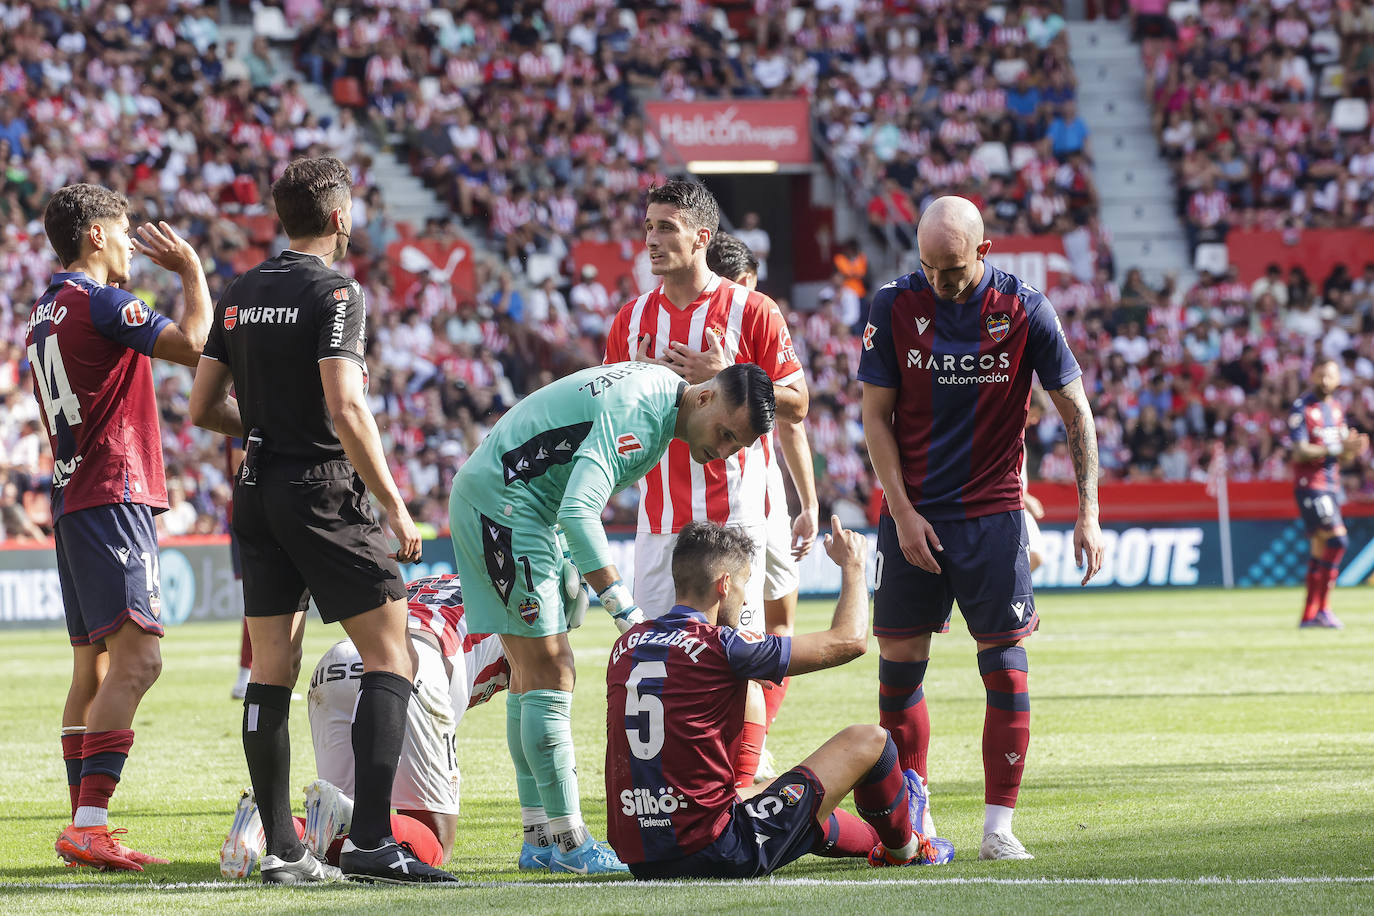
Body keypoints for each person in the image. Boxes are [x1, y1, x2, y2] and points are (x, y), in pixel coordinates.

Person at [188, 156, 457, 885]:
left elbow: (203, 408)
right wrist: (396, 503)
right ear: (340, 217)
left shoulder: (241, 290)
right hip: (320, 490)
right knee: (391, 654)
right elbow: (345, 407)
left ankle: (282, 850)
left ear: (283, 216)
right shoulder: (336, 292)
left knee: (271, 668)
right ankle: (372, 840)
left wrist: (268, 422)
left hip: (255, 488)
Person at [448, 359, 776, 875]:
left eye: (738, 445)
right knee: (552, 670)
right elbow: (580, 510)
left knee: (528, 674)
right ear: (707, 396)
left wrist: (564, 554)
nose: (724, 451)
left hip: (511, 501)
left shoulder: (660, 396)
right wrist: (625, 610)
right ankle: (571, 844)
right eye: (727, 434)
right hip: (509, 507)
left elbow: (564, 490)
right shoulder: (642, 415)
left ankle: (540, 839)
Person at [858, 196, 1105, 861]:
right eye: (929, 268)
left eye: (954, 269)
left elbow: (1076, 412)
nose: (940, 282)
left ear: (985, 252)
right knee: (899, 673)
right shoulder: (892, 306)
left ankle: (999, 828)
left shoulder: (1025, 309)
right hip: (912, 517)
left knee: (1007, 671)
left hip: (994, 515)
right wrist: (903, 512)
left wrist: (1088, 513)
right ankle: (919, 819)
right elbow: (874, 417)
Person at [33, 184, 220, 871]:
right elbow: (198, 345)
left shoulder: (43, 313)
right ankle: (89, 822)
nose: (131, 245)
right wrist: (193, 271)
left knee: (95, 664)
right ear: (94, 237)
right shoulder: (103, 302)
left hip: (73, 499)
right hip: (113, 492)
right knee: (140, 659)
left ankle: (82, 822)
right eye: (124, 231)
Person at [603, 181, 810, 790]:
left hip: (734, 516)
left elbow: (797, 402)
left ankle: (744, 779)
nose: (653, 240)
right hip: (660, 517)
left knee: (736, 656)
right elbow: (609, 410)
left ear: (703, 236)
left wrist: (730, 376)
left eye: (667, 227)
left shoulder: (754, 311)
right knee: (655, 657)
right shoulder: (631, 318)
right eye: (648, 226)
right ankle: (669, 781)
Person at [604, 519, 954, 879]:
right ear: (725, 584)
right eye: (744, 584)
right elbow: (850, 641)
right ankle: (908, 850)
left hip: (642, 856)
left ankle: (874, 843)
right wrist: (853, 567)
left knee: (763, 792)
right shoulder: (722, 646)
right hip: (715, 849)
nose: (743, 598)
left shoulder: (625, 647)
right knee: (870, 741)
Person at [220, 574, 512, 876]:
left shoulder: (435, 581)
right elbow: (533, 694)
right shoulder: (514, 596)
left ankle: (270, 826)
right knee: (434, 844)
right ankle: (336, 814)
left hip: (337, 663)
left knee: (345, 841)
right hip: (410, 666)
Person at [705, 232, 820, 778]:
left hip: (767, 496)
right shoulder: (707, 337)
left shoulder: (758, 329)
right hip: (717, 501)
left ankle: (756, 738)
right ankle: (735, 748)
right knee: (735, 631)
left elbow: (792, 419)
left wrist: (808, 502)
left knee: (778, 623)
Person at [1287, 357, 1369, 629]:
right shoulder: (1302, 408)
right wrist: (1336, 449)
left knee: (1320, 548)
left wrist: (1352, 449)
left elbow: (1341, 455)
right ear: (1312, 375)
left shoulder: (1335, 409)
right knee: (1338, 541)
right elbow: (1299, 450)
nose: (1325, 381)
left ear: (1338, 379)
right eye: (1320, 375)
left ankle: (1310, 615)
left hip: (1331, 484)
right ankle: (1324, 609)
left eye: (1329, 376)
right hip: (1311, 485)